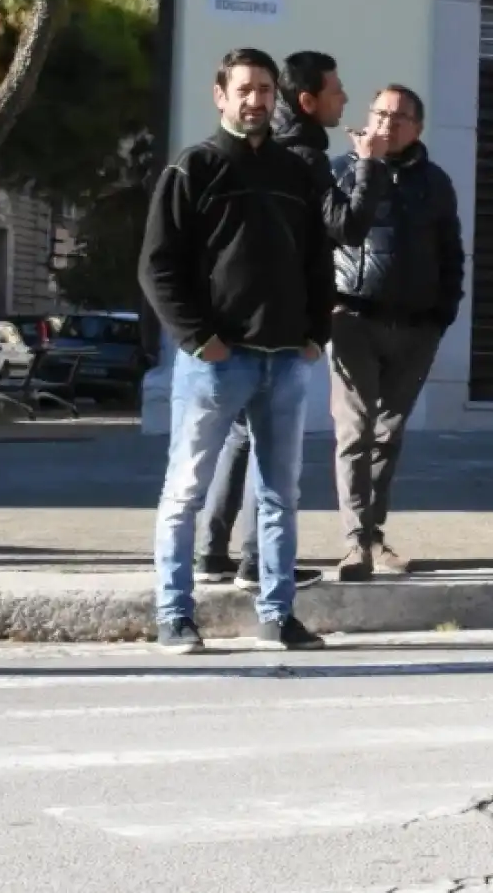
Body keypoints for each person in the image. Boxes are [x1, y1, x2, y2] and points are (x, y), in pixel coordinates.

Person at [140, 47, 336, 654]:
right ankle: (175, 614)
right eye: (245, 89)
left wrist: (314, 334)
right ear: (220, 95)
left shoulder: (296, 173)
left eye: (266, 90)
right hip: (215, 364)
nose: (257, 100)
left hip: (285, 361)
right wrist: (200, 339)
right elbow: (157, 266)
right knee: (186, 491)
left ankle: (277, 615)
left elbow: (318, 260)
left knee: (281, 495)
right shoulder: (193, 167)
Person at [196, 50, 384, 591]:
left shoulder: (276, 150)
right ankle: (257, 563)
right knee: (267, 443)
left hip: (245, 318)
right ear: (308, 101)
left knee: (239, 438)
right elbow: (345, 228)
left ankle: (212, 552)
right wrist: (368, 164)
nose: (345, 99)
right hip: (275, 324)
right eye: (336, 90)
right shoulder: (303, 157)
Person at [328, 85, 463, 581]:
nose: (387, 123)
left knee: (389, 433)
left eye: (400, 117)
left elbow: (452, 254)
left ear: (418, 128)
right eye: (380, 113)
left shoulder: (435, 182)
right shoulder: (341, 170)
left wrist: (442, 314)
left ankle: (374, 534)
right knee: (355, 431)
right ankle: (353, 543)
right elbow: (331, 235)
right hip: (352, 319)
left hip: (416, 326)